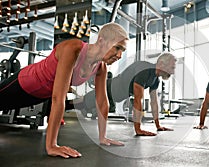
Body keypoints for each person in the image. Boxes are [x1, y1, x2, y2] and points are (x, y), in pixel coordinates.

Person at [0, 22, 129, 158]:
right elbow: (58, 98)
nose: (120, 55)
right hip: (23, 82)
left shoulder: (100, 68)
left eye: (123, 51)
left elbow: (102, 102)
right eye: (117, 48)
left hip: (38, 96)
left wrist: (103, 137)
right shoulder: (73, 49)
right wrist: (52, 146)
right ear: (102, 41)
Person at [109, 53, 177, 136]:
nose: (173, 72)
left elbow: (154, 102)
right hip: (106, 90)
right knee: (88, 107)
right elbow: (138, 100)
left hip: (114, 98)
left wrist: (158, 126)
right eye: (172, 68)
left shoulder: (156, 80)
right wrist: (138, 129)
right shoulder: (144, 70)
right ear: (161, 64)